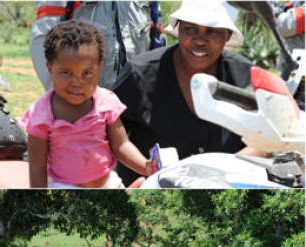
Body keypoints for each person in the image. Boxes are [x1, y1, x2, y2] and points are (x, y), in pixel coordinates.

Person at [111, 0, 267, 184]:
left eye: (213, 31)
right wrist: (145, 168)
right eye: (190, 30)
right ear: (178, 29)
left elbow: (268, 140)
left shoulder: (247, 78)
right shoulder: (139, 74)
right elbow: (110, 133)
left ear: (228, 35)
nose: (200, 40)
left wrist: (219, 175)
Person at [20, 19, 156, 188]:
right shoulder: (41, 114)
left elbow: (121, 145)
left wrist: (145, 166)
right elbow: (37, 166)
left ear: (99, 68)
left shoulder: (105, 102)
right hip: (64, 188)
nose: (77, 82)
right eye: (66, 72)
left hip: (108, 184)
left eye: (87, 73)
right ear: (50, 69)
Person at [29, 1, 166, 92]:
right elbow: (45, 39)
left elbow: (157, 37)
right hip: (84, 100)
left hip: (134, 97)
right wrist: (63, 95)